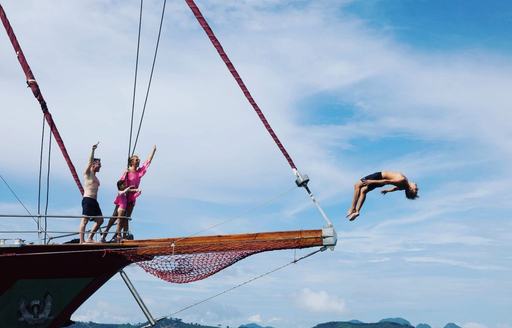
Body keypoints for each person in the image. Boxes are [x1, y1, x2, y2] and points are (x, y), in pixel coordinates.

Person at [102, 145, 157, 241]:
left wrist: (153, 150)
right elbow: (119, 185)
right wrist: (126, 184)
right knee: (114, 216)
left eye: (138, 159)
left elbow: (148, 162)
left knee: (126, 218)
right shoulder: (126, 173)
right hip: (124, 197)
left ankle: (123, 236)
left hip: (132, 198)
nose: (138, 160)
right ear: (131, 162)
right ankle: (104, 235)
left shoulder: (139, 172)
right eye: (136, 159)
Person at [347, 171, 418, 221]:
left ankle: (352, 208)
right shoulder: (404, 187)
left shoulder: (402, 180)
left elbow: (387, 181)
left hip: (379, 177)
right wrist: (387, 190)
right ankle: (357, 211)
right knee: (363, 191)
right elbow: (395, 188)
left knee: (357, 186)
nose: (417, 186)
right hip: (381, 183)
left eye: (416, 189)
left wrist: (371, 181)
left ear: (410, 189)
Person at [78, 143, 104, 243]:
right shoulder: (88, 174)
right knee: (84, 220)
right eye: (99, 164)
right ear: (93, 164)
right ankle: (81, 241)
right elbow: (89, 162)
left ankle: (90, 238)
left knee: (100, 220)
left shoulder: (96, 178)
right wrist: (93, 150)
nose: (100, 166)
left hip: (94, 201)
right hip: (88, 199)